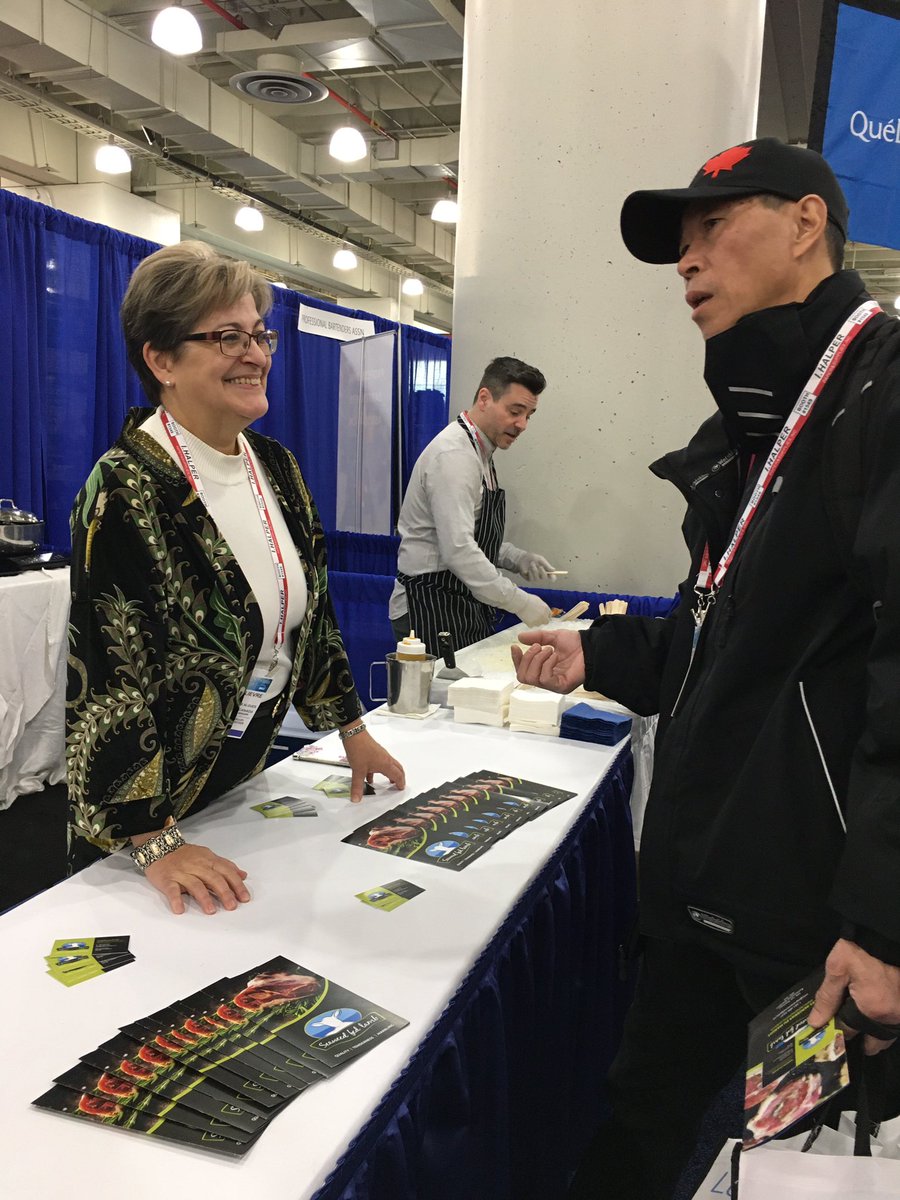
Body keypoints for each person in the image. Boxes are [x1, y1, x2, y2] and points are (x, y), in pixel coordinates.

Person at [511, 138, 900, 1197]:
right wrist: (604, 651)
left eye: (713, 229)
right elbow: (728, 632)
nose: (688, 263)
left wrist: (884, 924)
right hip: (701, 887)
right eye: (679, 248)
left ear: (808, 222)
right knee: (645, 1118)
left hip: (814, 932)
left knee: (782, 1161)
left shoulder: (881, 396)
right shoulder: (745, 427)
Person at [67, 242, 404, 915]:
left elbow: (310, 617)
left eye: (258, 334)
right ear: (160, 359)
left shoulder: (274, 466)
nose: (255, 354)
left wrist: (352, 732)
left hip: (235, 786)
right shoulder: (126, 487)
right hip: (143, 823)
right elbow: (111, 678)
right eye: (227, 337)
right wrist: (154, 840)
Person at [390, 356, 557, 655]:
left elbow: (473, 533)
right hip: (429, 605)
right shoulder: (455, 456)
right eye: (515, 412)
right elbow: (458, 550)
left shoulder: (480, 451)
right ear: (484, 398)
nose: (522, 425)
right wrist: (519, 601)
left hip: (457, 601)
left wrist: (516, 557)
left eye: (529, 415)